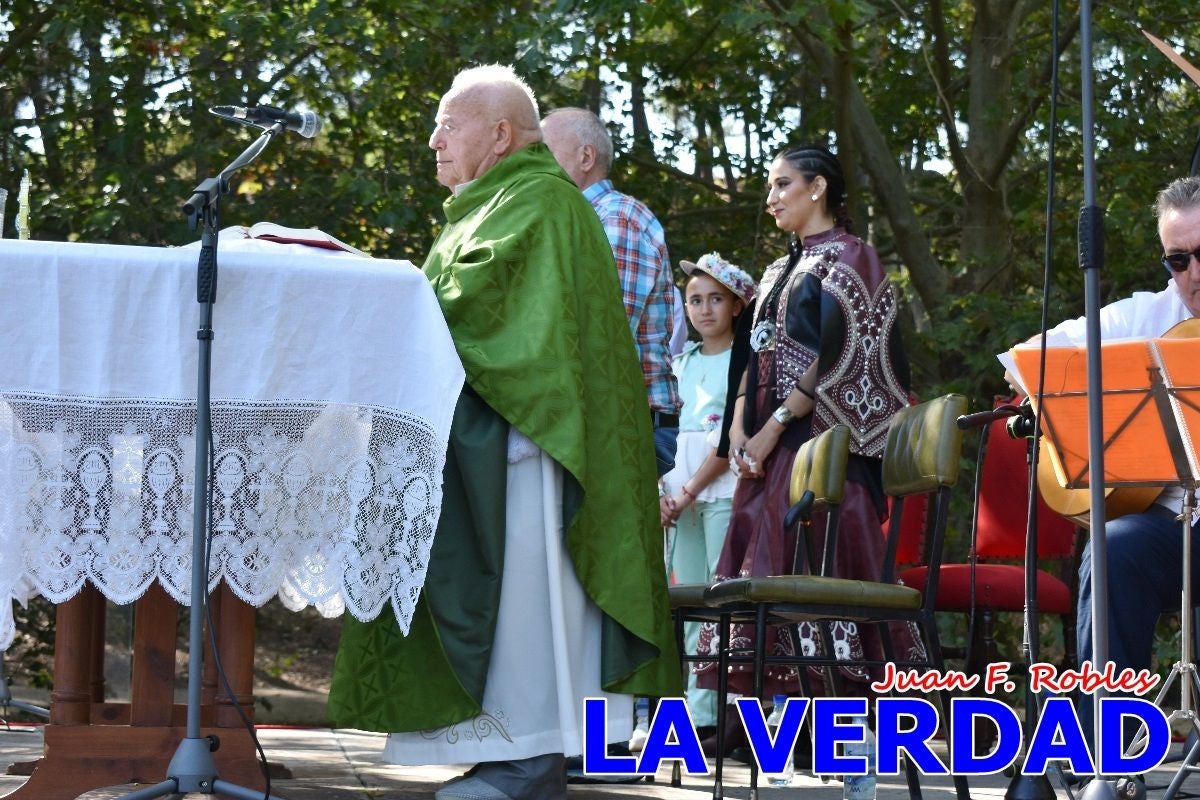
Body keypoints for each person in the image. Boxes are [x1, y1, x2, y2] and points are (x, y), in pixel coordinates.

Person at [327, 65, 680, 800]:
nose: (433, 140)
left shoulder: (539, 204)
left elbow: (486, 319)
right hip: (493, 437)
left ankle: (525, 756)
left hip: (527, 446)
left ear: (500, 133)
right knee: (510, 600)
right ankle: (511, 753)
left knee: (522, 600)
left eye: (448, 125)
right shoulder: (490, 207)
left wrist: (374, 293)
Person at [694, 143, 917, 751]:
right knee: (752, 565)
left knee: (799, 564)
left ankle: (824, 726)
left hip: (822, 443)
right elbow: (754, 353)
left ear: (817, 188)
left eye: (782, 184)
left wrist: (773, 428)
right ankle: (753, 723)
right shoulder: (776, 270)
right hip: (767, 444)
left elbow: (843, 355)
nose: (771, 197)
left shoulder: (854, 259)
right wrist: (740, 427)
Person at [1008, 174, 1200, 752]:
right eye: (1178, 259)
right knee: (1115, 546)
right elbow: (1027, 363)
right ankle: (1110, 751)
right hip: (1171, 526)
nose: (1194, 273)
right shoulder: (1140, 318)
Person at [541, 106, 682, 477]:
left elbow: (604, 334)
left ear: (585, 157)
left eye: (545, 151)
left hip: (627, 421)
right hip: (609, 417)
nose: (534, 168)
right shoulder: (580, 220)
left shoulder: (615, 217)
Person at [659, 252, 755, 739]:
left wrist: (692, 490)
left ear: (736, 305)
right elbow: (665, 431)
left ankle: (724, 711)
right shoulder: (680, 363)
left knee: (723, 599)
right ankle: (694, 712)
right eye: (694, 300)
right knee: (690, 597)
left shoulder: (746, 362)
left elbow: (727, 441)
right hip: (677, 494)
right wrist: (666, 493)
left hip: (719, 489)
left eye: (715, 299)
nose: (704, 310)